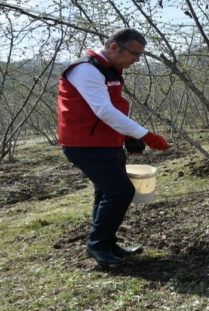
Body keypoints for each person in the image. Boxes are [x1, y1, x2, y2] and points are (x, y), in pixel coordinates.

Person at [58, 28, 171, 266]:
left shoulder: (109, 69)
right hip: (85, 145)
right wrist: (148, 136)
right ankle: (96, 245)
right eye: (134, 53)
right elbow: (104, 110)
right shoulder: (86, 69)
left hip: (108, 141)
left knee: (105, 193)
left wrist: (128, 137)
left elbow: (115, 107)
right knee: (120, 192)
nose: (137, 59)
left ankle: (106, 243)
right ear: (114, 48)